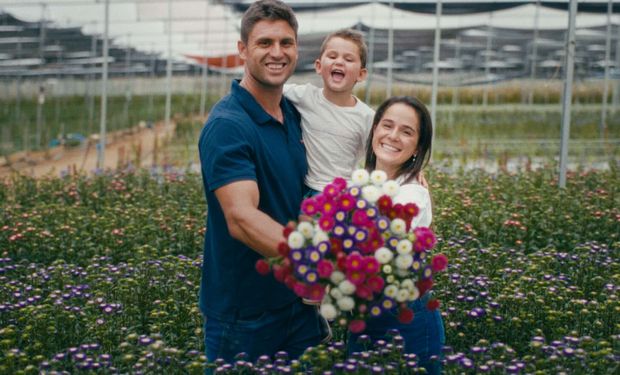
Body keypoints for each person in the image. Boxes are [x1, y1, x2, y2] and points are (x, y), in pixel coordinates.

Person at [197, 0, 329, 364]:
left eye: (286, 43)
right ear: (243, 50)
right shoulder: (229, 125)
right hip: (245, 314)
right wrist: (314, 261)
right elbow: (241, 218)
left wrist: (411, 168)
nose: (277, 53)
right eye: (265, 43)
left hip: (300, 305)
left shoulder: (293, 113)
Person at [348, 96, 445, 374]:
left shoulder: (413, 194)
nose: (393, 136)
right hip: (366, 314)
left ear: (418, 146)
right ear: (374, 130)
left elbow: (376, 243)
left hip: (408, 319)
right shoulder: (361, 182)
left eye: (407, 131)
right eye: (387, 125)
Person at [284, 28, 375, 194]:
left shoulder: (366, 116)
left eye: (348, 59)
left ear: (361, 75)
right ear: (319, 66)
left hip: (345, 193)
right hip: (307, 189)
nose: (339, 62)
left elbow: (381, 153)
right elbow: (271, 89)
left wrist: (412, 170)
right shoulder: (305, 96)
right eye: (332, 56)